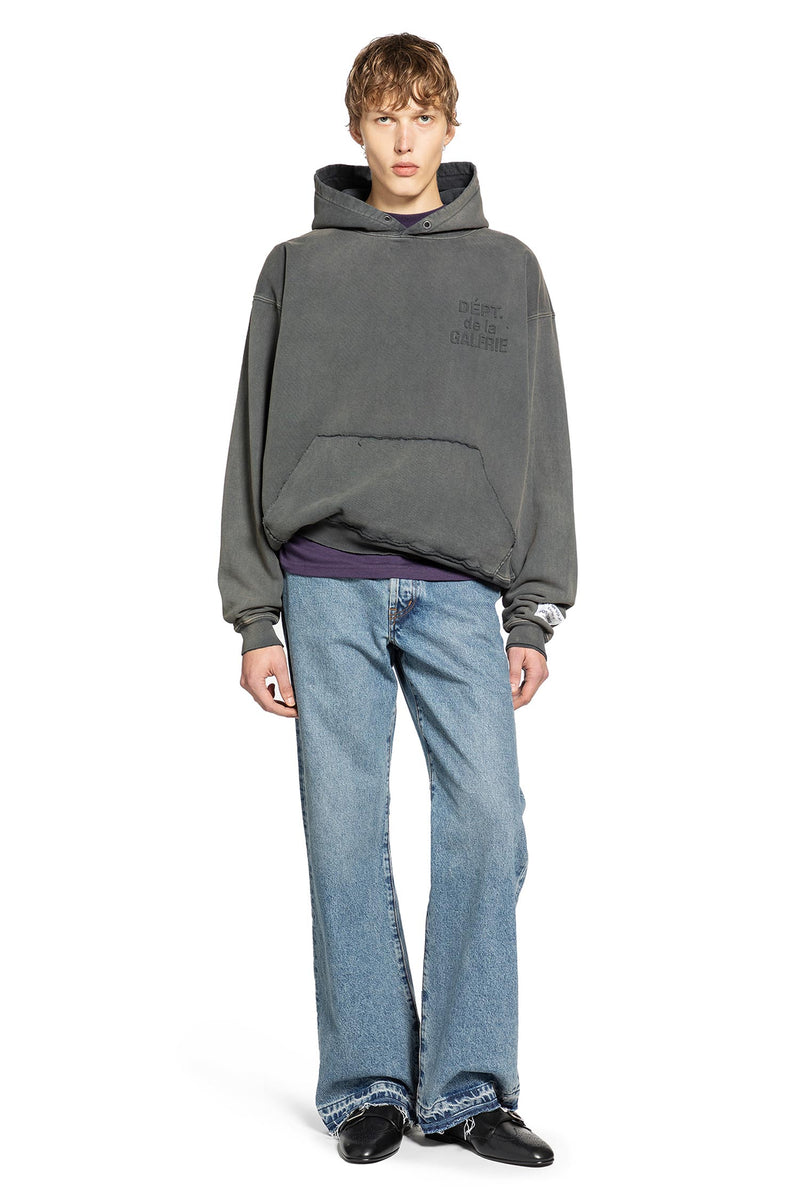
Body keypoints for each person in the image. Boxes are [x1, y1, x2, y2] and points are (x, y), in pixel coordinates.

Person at [218, 31, 578, 1167]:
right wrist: (254, 616)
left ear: (450, 127)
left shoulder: (505, 269)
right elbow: (249, 439)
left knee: (486, 823)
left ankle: (467, 1089)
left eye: (422, 115)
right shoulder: (296, 268)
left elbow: (540, 443)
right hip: (324, 584)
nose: (404, 139)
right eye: (384, 116)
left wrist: (534, 607)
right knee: (341, 833)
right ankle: (368, 1081)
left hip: (459, 592)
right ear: (356, 128)